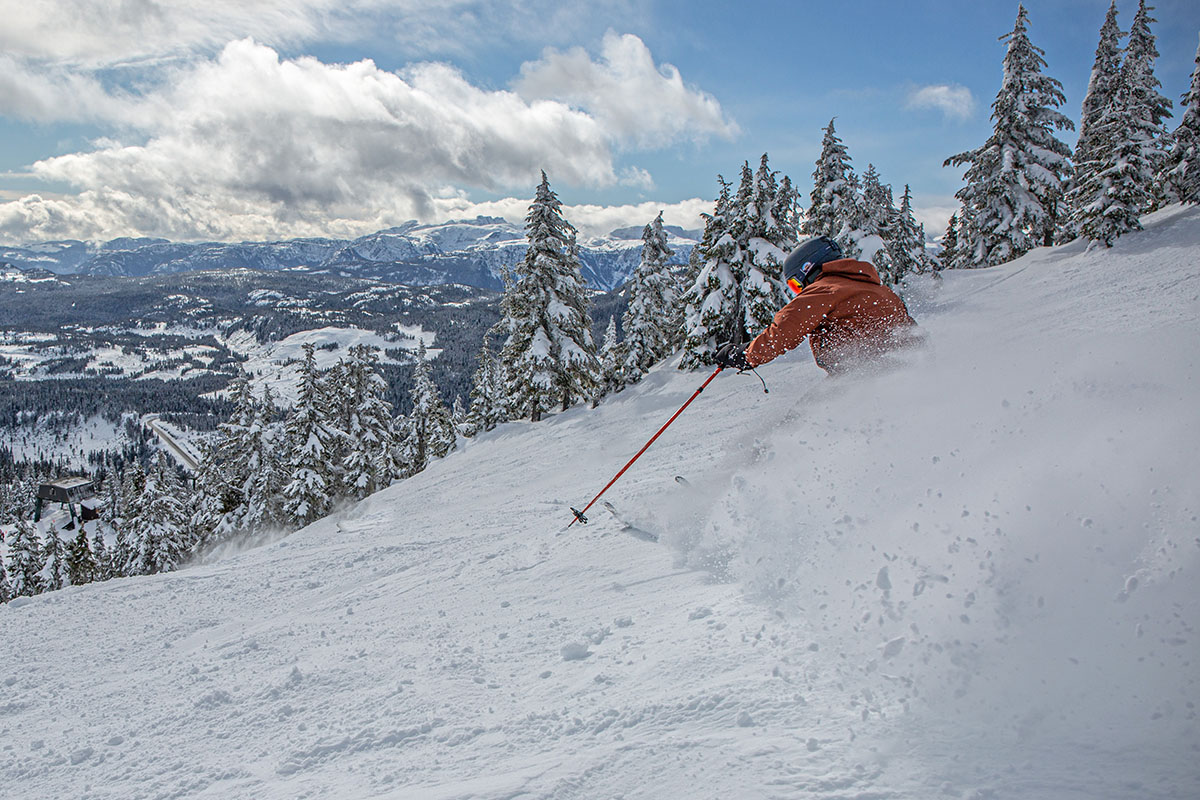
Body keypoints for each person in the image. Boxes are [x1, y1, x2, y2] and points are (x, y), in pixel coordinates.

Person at [715, 236, 916, 375]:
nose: (799, 290)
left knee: (795, 424)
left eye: (796, 284)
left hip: (864, 373)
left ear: (808, 268)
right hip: (902, 368)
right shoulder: (881, 291)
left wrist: (745, 354)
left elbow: (785, 330)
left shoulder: (825, 289)